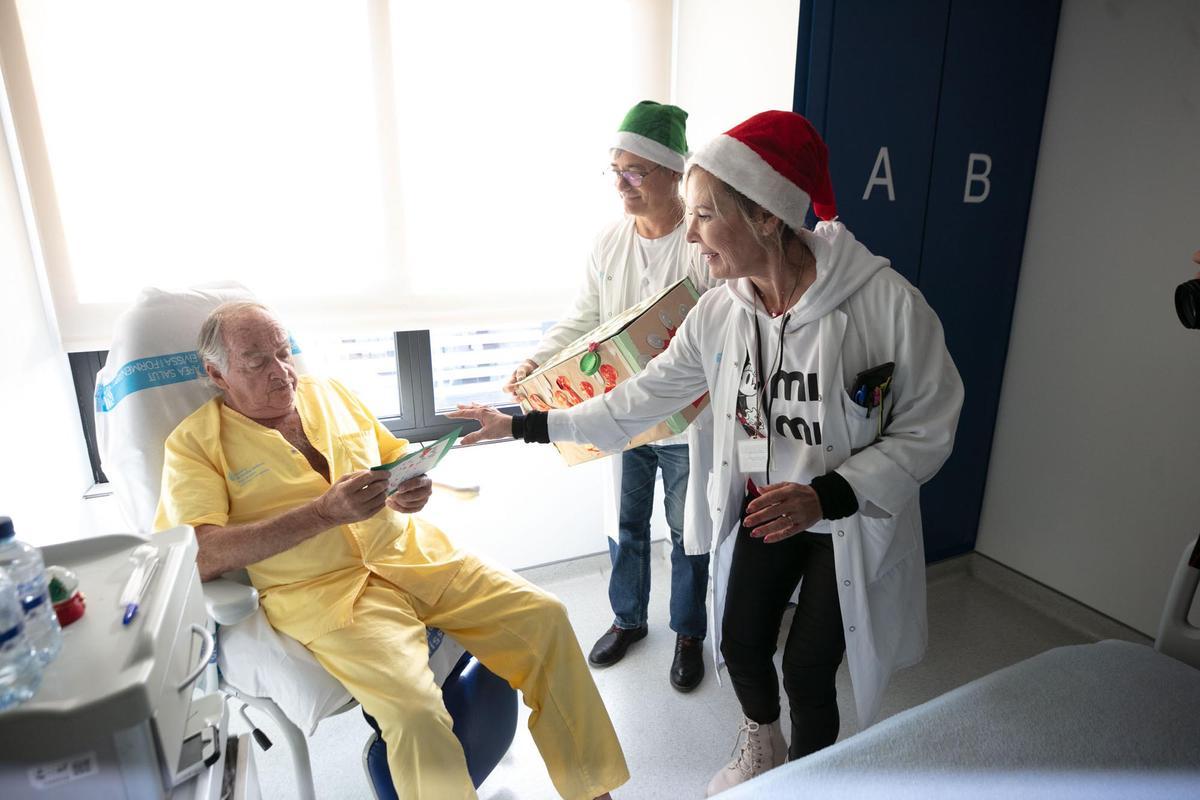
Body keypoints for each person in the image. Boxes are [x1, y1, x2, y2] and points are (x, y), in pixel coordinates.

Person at [450, 111, 964, 795]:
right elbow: (639, 398)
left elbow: (928, 426)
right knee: (741, 644)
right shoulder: (721, 312)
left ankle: (808, 780)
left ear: (766, 219)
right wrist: (522, 425)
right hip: (763, 510)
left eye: (705, 216)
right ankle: (761, 742)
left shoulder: (887, 307)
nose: (690, 235)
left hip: (844, 519)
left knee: (810, 671)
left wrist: (826, 493)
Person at [154, 302, 628, 800]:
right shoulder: (195, 445)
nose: (281, 373)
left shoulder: (328, 393)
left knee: (545, 617)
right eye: (257, 363)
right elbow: (199, 554)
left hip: (411, 554)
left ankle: (592, 791)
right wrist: (321, 515)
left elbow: (390, 457)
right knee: (414, 713)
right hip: (328, 594)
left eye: (283, 352)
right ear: (216, 374)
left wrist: (411, 486)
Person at [503, 100, 715, 692]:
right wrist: (539, 360)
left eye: (635, 172)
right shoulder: (608, 242)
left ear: (674, 173)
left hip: (681, 420)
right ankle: (628, 620)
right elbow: (583, 318)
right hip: (618, 417)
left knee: (684, 528)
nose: (621, 185)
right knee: (625, 524)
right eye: (615, 171)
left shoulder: (700, 248)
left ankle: (689, 633)